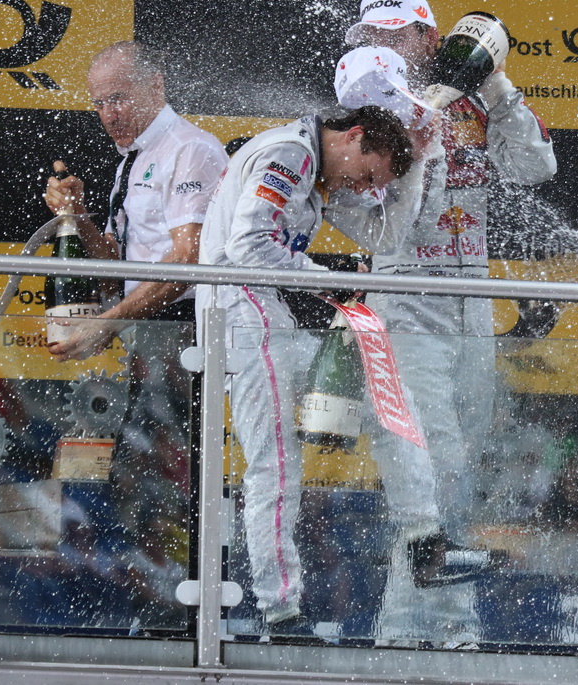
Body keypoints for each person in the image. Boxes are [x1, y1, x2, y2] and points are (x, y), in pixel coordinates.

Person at [196, 106, 487, 633]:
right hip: (239, 313)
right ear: (354, 137)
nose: (365, 187)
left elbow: (385, 235)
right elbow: (247, 245)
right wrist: (325, 278)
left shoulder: (317, 168)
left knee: (386, 398)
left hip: (268, 313)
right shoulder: (291, 152)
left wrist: (417, 163)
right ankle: (280, 611)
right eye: (369, 174)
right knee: (275, 466)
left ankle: (425, 543)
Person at [338, 0, 557, 647]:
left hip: (472, 296)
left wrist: (495, 85)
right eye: (372, 36)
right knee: (432, 462)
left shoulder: (476, 100)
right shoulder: (365, 102)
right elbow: (352, 198)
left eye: (396, 35)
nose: (383, 46)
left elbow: (537, 166)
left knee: (460, 465)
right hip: (405, 295)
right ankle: (416, 628)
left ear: (430, 38)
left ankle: (435, 625)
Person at [42, 40, 228, 628]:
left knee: (171, 480)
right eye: (99, 103)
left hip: (183, 338)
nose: (109, 114)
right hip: (147, 341)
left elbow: (189, 262)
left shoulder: (190, 150)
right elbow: (121, 271)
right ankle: (149, 614)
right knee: (137, 482)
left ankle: (188, 622)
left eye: (119, 97)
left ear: (157, 86)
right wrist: (78, 218)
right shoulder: (135, 158)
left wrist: (109, 323)